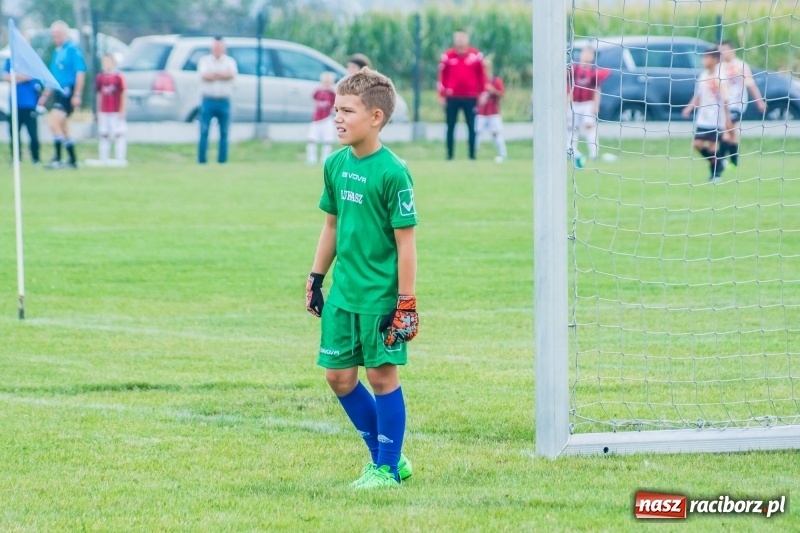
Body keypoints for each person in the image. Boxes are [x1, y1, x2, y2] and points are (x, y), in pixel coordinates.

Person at [305, 68, 418, 489]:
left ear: (375, 117)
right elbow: (331, 226)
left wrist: (405, 301)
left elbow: (406, 244)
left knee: (381, 376)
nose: (337, 118)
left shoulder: (393, 172)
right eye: (336, 109)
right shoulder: (334, 164)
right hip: (343, 294)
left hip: (379, 297)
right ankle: (389, 459)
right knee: (338, 377)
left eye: (347, 111)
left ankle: (387, 468)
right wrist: (317, 277)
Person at [37, 20, 86, 169]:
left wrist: (77, 94)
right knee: (63, 127)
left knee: (53, 121)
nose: (55, 37)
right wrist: (45, 95)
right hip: (59, 93)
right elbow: (53, 77)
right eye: (53, 34)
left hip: (68, 91)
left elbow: (80, 72)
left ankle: (58, 158)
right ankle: (72, 160)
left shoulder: (72, 49)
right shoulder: (57, 52)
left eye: (58, 33)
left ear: (65, 34)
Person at [682, 46, 733, 182]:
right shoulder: (703, 75)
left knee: (712, 146)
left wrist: (727, 119)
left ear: (715, 60)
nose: (704, 60)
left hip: (716, 118)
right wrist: (689, 108)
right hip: (703, 118)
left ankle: (715, 175)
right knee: (697, 144)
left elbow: (726, 99)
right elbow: (697, 95)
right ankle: (720, 162)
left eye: (707, 58)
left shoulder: (720, 77)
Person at [438, 29, 485, 160]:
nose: (460, 40)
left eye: (462, 37)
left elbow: (482, 77)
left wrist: (481, 94)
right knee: (450, 127)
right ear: (455, 39)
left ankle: (472, 156)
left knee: (471, 127)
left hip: (470, 97)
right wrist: (441, 95)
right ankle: (449, 155)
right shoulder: (447, 57)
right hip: (451, 97)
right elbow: (442, 78)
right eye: (458, 38)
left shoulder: (476, 56)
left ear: (467, 39)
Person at [718, 40, 767, 166]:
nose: (722, 53)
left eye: (724, 50)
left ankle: (721, 161)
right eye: (720, 51)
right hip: (722, 104)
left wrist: (759, 101)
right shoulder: (719, 67)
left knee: (727, 129)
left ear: (732, 50)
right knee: (731, 132)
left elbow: (751, 85)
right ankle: (734, 160)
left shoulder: (741, 66)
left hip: (737, 104)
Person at [567, 46, 610, 167]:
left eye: (590, 54)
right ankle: (572, 152)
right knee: (571, 128)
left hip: (587, 103)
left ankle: (594, 153)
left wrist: (595, 105)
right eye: (585, 53)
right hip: (574, 103)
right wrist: (566, 104)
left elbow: (597, 89)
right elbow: (568, 88)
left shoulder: (593, 73)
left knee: (589, 127)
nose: (587, 56)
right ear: (581, 55)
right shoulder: (573, 70)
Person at [197, 36, 238, 164]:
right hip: (208, 100)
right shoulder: (204, 61)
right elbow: (204, 76)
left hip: (224, 100)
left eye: (220, 47)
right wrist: (222, 74)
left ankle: (222, 161)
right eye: (215, 47)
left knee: (224, 132)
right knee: (204, 131)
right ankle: (202, 161)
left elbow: (231, 75)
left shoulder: (229, 61)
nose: (217, 50)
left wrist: (214, 74)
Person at [3, 54, 41, 164]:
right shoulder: (11, 60)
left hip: (29, 104)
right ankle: (16, 158)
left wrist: (15, 77)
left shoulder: (31, 60)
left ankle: (35, 158)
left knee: (32, 133)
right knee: (14, 133)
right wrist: (19, 77)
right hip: (15, 104)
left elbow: (30, 76)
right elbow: (5, 76)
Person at [94, 54, 127, 166]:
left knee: (119, 134)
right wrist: (98, 111)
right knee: (104, 134)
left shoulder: (118, 77)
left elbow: (123, 93)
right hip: (104, 111)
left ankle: (120, 158)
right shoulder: (100, 77)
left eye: (108, 62)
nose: (106, 64)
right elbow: (99, 94)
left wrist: (122, 110)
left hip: (116, 111)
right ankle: (104, 158)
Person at [474, 58, 507, 163]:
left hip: (493, 112)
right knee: (476, 132)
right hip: (481, 112)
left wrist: (492, 90)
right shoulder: (477, 81)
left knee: (496, 133)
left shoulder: (495, 80)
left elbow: (502, 95)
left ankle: (502, 154)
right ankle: (472, 155)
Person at [306, 71, 337, 164]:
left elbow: (334, 105)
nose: (326, 84)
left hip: (327, 118)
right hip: (316, 119)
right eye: (325, 82)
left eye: (329, 82)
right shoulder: (317, 92)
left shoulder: (333, 94)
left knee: (327, 139)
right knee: (312, 138)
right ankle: (311, 159)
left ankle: (325, 158)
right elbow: (314, 99)